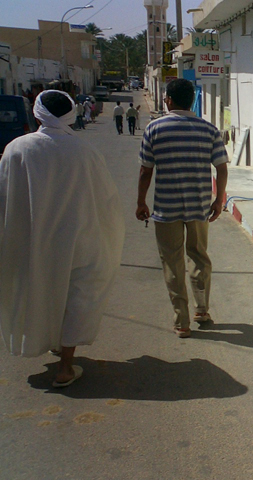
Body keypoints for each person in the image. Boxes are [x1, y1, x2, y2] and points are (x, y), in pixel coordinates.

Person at [0, 90, 125, 387]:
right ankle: (66, 365)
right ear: (71, 114)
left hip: (32, 241)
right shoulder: (85, 151)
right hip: (79, 240)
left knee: (39, 290)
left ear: (37, 113)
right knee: (78, 297)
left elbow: (5, 198)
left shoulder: (17, 149)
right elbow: (106, 200)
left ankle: (48, 342)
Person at [136, 78, 228, 338]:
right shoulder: (209, 130)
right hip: (199, 206)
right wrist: (219, 200)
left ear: (168, 100)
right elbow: (221, 168)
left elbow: (146, 170)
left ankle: (182, 321)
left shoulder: (154, 128)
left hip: (166, 208)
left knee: (172, 262)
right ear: (192, 100)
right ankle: (202, 310)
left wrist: (141, 201)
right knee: (199, 256)